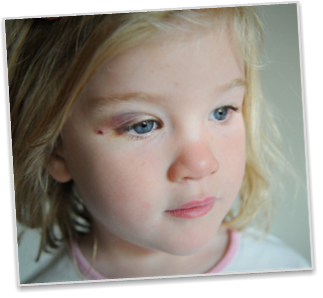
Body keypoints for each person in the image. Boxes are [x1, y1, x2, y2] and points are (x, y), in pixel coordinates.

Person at [6, 7, 309, 284]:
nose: (201, 164)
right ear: (56, 147)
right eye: (143, 125)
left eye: (221, 112)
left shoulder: (288, 273)